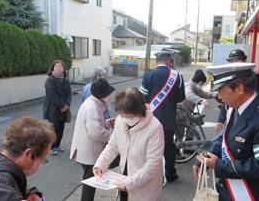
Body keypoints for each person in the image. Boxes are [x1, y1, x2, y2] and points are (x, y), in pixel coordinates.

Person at [192, 62, 259, 201]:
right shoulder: (234, 109)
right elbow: (226, 139)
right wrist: (206, 157)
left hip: (250, 195)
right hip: (230, 192)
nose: (218, 96)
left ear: (240, 89)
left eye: (220, 90)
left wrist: (218, 165)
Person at [93, 87, 164, 201]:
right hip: (122, 179)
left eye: (124, 113)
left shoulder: (155, 127)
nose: (121, 115)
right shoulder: (121, 120)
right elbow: (112, 146)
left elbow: (153, 164)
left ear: (137, 111)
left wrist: (129, 183)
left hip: (144, 186)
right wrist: (100, 164)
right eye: (120, 112)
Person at [0, 116, 56, 201]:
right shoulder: (2, 182)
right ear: (28, 155)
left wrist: (29, 191)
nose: (42, 164)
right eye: (43, 159)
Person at [139, 51, 185, 182]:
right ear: (169, 61)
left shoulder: (148, 75)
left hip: (150, 119)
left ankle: (150, 174)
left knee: (150, 147)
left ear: (156, 61)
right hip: (168, 119)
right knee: (168, 147)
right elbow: (180, 98)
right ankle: (169, 174)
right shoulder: (178, 76)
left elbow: (142, 98)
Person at [70, 78, 115, 201]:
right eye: (108, 93)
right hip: (89, 150)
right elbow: (96, 133)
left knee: (90, 180)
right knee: (90, 182)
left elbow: (96, 125)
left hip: (88, 148)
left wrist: (108, 123)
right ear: (102, 95)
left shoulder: (94, 102)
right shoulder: (92, 107)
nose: (109, 95)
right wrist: (113, 136)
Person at [216, 49, 259, 131]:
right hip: (231, 114)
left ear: (244, 60)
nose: (234, 63)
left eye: (237, 60)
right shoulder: (229, 77)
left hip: (246, 116)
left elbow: (256, 97)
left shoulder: (253, 77)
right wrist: (220, 120)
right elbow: (225, 100)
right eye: (232, 61)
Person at [176, 69, 218, 141]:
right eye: (201, 84)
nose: (202, 86)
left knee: (191, 127)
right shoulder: (188, 85)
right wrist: (201, 101)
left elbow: (205, 94)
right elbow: (189, 95)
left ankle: (188, 146)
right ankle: (179, 146)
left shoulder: (196, 88)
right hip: (181, 111)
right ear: (198, 81)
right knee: (181, 132)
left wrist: (217, 94)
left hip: (187, 111)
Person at [43, 59, 71, 156]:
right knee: (54, 128)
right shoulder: (50, 80)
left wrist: (67, 105)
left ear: (63, 69)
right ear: (53, 69)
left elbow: (69, 94)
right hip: (53, 108)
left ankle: (58, 145)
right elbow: (51, 95)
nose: (59, 69)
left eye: (60, 67)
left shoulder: (65, 80)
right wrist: (62, 105)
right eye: (57, 67)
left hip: (64, 109)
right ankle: (52, 147)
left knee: (61, 128)